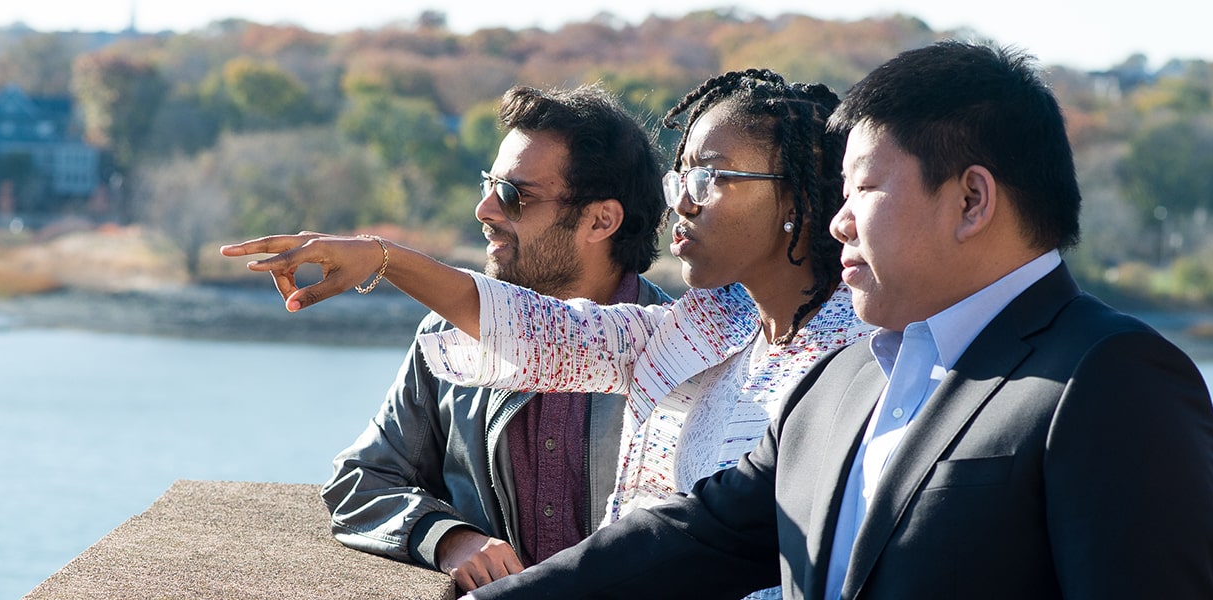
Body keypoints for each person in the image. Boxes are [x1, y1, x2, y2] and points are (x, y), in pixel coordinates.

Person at [461, 41, 1213, 600]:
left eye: (863, 191)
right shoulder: (842, 380)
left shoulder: (1111, 379)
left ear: (972, 200)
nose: (836, 223)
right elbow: (695, 540)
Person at [224, 69, 867, 594]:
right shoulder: (703, 327)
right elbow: (546, 336)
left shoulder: (864, 357)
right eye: (681, 178)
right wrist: (384, 258)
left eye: (711, 177)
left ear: (798, 199)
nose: (684, 202)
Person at [305, 84, 672, 592]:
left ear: (601, 220)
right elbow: (360, 480)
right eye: (489, 184)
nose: (484, 210)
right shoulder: (447, 338)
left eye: (514, 196)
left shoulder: (681, 353)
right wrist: (447, 537)